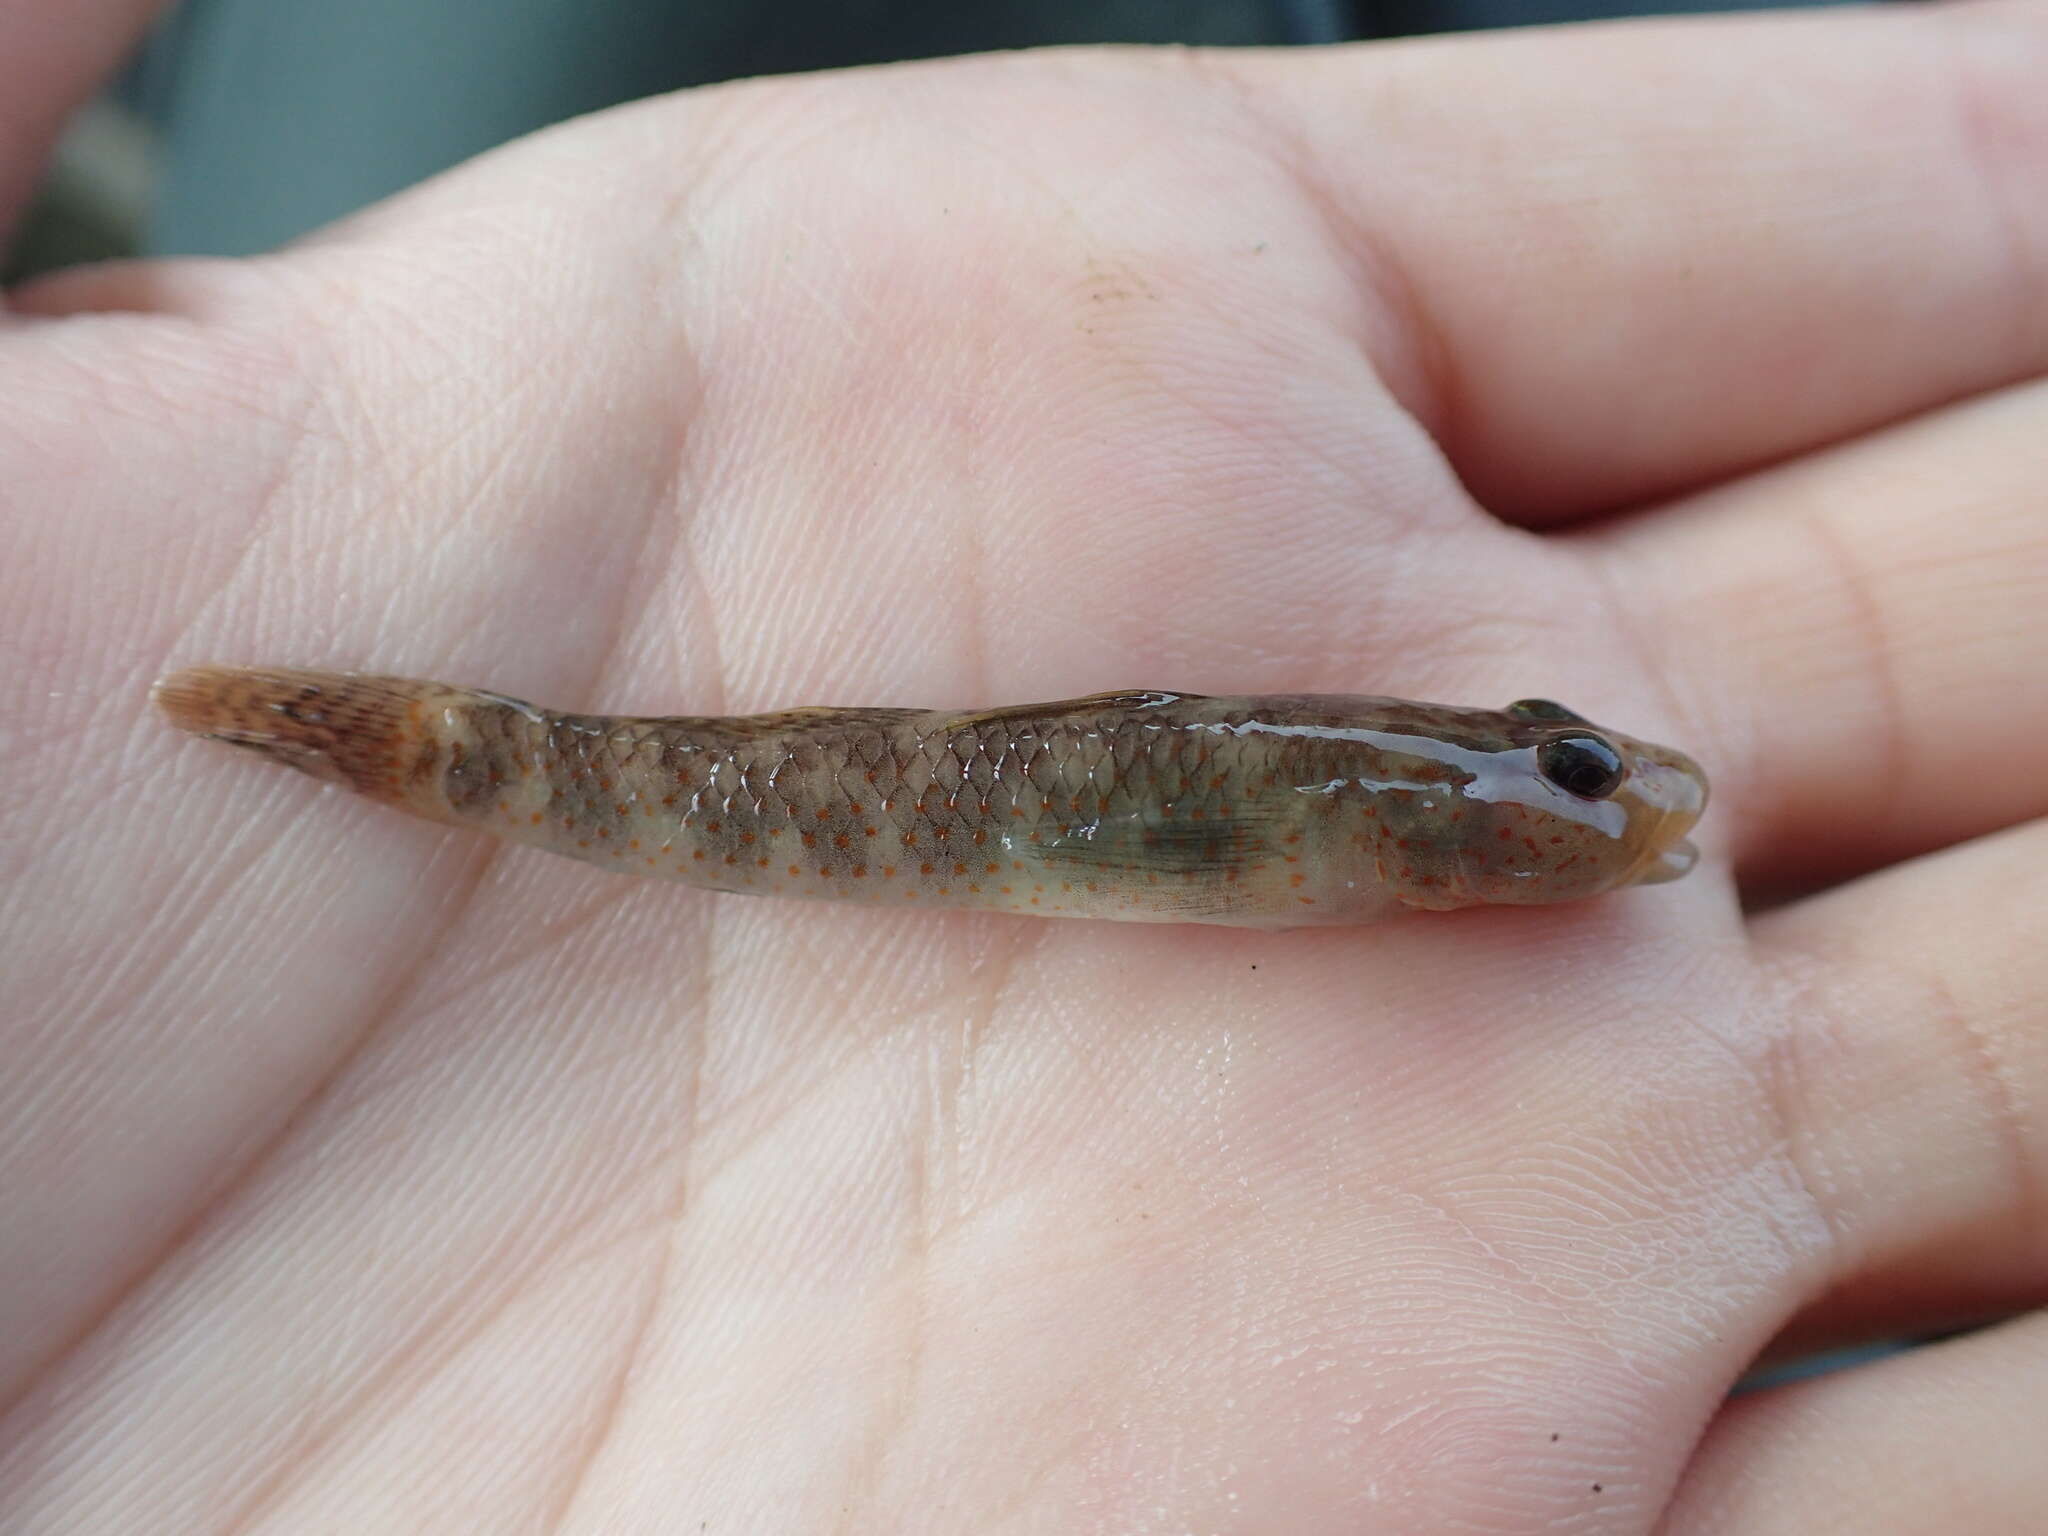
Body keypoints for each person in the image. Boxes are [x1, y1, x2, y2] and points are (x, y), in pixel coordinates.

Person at [3, 1, 2045, 1528]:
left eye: (1565, 771)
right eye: (1572, 773)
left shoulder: (1397, 823)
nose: (1616, 805)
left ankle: (453, 758)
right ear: (1430, 808)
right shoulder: (1377, 815)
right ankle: (440, 758)